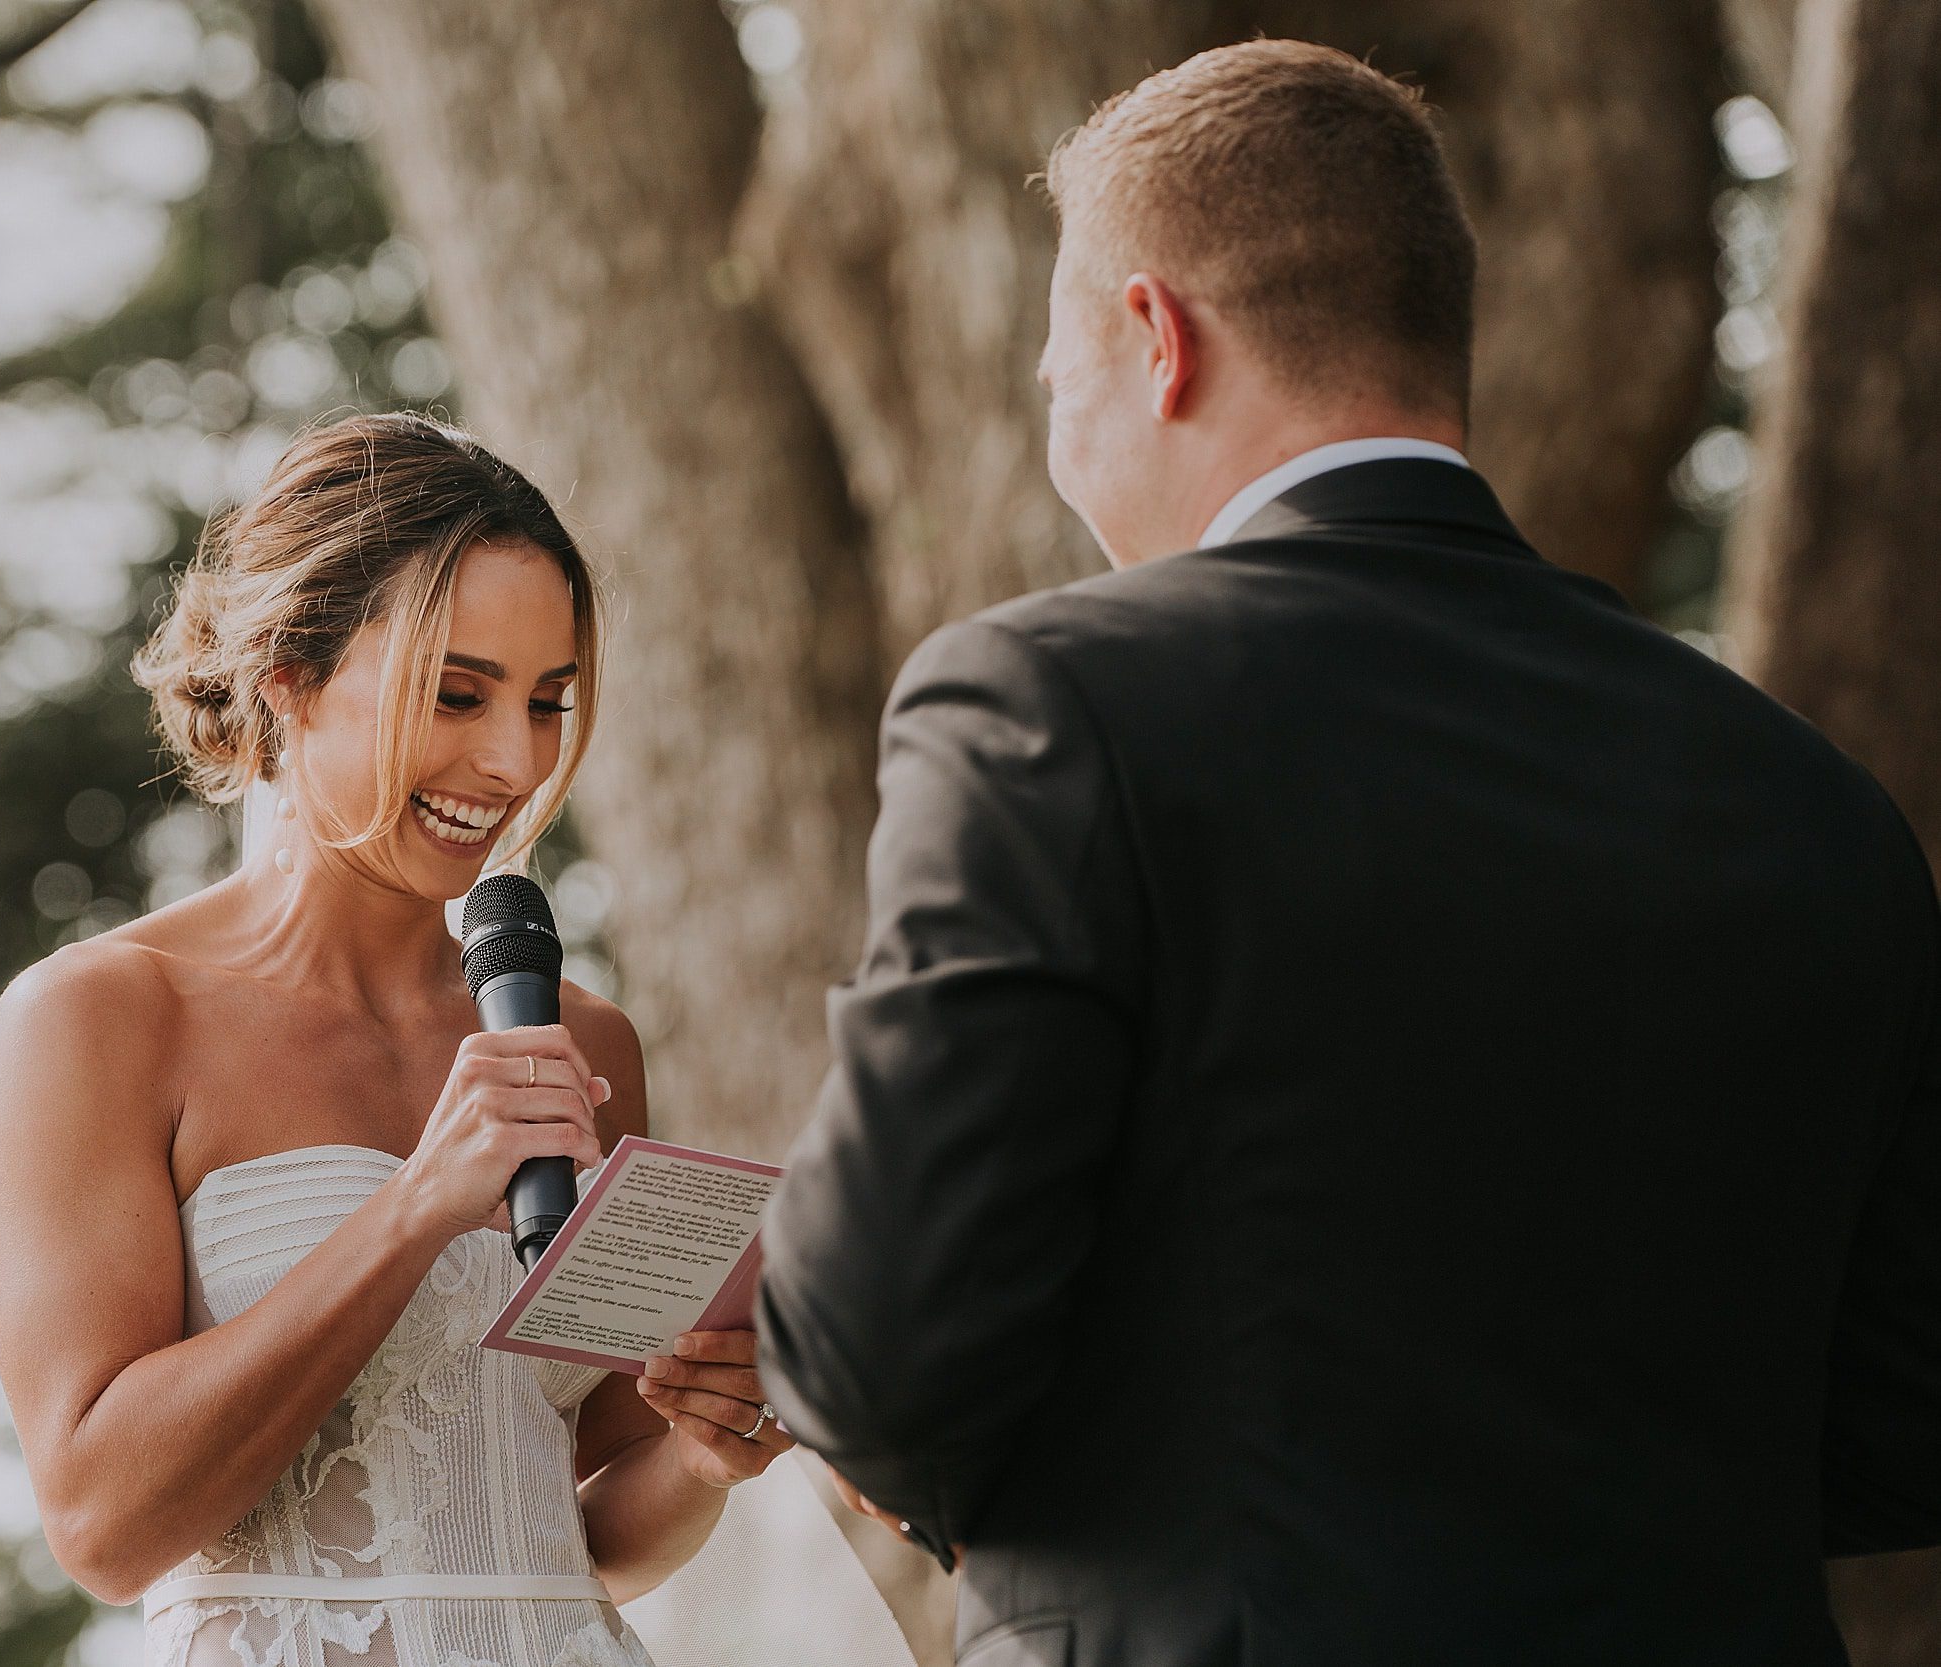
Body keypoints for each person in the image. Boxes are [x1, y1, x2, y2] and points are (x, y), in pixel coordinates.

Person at [756, 39, 1941, 1667]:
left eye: (1056, 380)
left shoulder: (1053, 703)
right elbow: (1904, 1418)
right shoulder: (1815, 803)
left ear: (1153, 339)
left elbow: (876, 1356)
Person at [0, 413, 792, 1667]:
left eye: (547, 701)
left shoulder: (585, 1042)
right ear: (286, 678)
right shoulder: (100, 1017)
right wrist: (416, 1206)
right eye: (456, 692)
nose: (512, 760)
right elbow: (102, 1521)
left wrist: (702, 1451)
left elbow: (588, 1526)